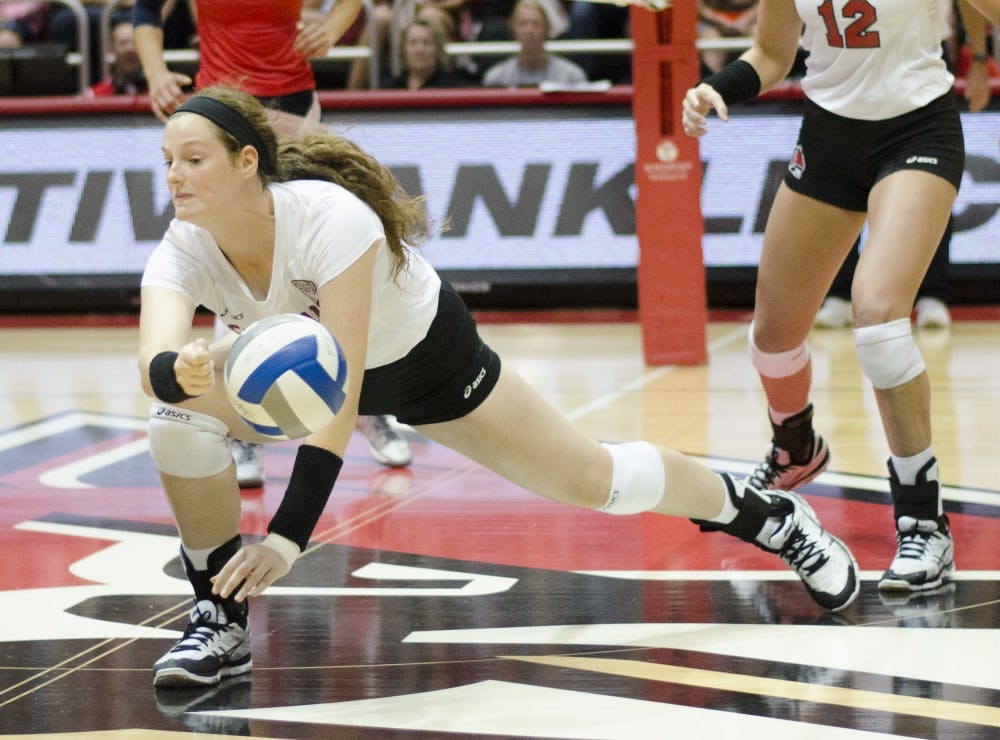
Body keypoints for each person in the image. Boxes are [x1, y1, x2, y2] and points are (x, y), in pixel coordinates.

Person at [140, 85, 859, 688]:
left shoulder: (330, 218)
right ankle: (218, 620)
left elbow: (341, 395)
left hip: (427, 358)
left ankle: (766, 514)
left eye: (192, 159)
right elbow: (156, 361)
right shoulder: (182, 247)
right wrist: (182, 371)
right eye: (167, 160)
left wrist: (286, 542)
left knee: (591, 479)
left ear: (246, 162)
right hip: (304, 372)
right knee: (174, 418)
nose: (174, 175)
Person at [683, 0, 1000, 595]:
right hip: (829, 138)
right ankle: (795, 447)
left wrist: (979, 57)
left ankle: (923, 522)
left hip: (917, 129)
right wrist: (714, 87)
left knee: (878, 318)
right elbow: (773, 54)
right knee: (772, 338)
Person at [133, 0, 413, 483]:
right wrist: (155, 70)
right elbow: (140, 10)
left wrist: (332, 27)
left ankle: (363, 402)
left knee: (319, 265)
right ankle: (243, 426)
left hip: (292, 106)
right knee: (231, 261)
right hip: (218, 111)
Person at [813, 0, 995, 330]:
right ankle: (840, 293)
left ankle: (933, 294)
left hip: (919, 52)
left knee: (929, 179)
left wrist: (979, 58)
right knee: (847, 172)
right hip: (847, 55)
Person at [481, 0, 587, 88]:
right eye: (523, 24)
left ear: (547, 29)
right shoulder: (496, 79)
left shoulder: (572, 77)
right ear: (513, 30)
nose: (530, 30)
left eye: (536, 24)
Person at [382, 17, 467, 89]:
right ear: (403, 49)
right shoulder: (391, 88)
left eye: (426, 42)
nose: (420, 50)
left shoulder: (452, 88)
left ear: (437, 48)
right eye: (413, 43)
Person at [88, 18, 147, 96]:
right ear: (112, 48)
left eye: (135, 42)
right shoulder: (95, 95)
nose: (130, 49)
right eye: (123, 43)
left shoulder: (160, 92)